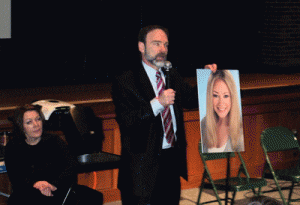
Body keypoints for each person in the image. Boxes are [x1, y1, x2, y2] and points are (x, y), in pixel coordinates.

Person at [112, 24, 217, 205]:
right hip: (142, 168)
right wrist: (158, 103)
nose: (162, 49)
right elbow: (128, 121)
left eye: (166, 45)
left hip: (170, 161)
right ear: (141, 47)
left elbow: (191, 100)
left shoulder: (170, 74)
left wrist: (206, 79)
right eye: (156, 43)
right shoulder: (126, 81)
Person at [5, 104, 103, 205]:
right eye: (29, 122)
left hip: (57, 188)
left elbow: (71, 167)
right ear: (21, 126)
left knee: (93, 196)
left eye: (38, 119)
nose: (36, 124)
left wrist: (52, 185)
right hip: (28, 190)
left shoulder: (54, 140)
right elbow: (16, 177)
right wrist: (36, 184)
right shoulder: (13, 146)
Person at [201, 70, 244, 153]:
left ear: (232, 97)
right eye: (215, 95)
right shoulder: (204, 123)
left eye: (226, 96)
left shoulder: (240, 128)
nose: (221, 102)